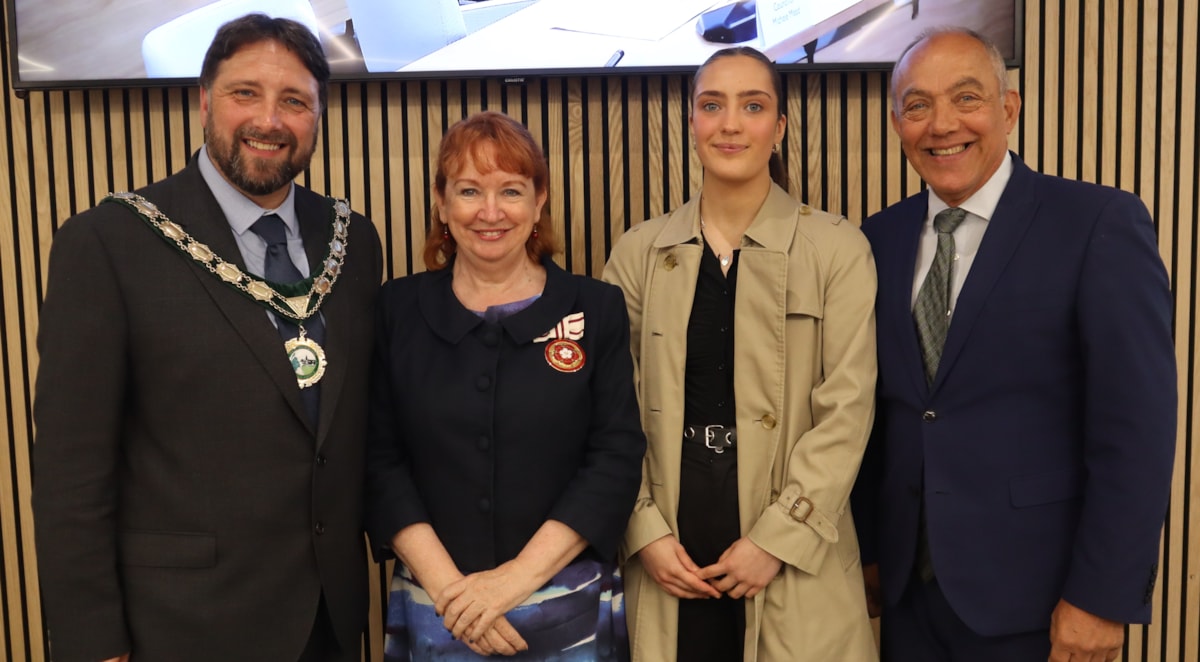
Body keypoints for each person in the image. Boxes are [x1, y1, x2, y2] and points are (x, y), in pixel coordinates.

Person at [32, 14, 383, 662]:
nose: (269, 120)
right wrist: (92, 643)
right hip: (182, 628)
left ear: (318, 116)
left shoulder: (351, 241)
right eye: (244, 93)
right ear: (203, 102)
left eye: (294, 101)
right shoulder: (109, 243)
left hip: (328, 624)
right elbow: (71, 475)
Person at [852, 27, 1177, 662]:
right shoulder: (877, 240)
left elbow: (1136, 431)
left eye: (966, 98)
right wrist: (866, 550)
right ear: (897, 124)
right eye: (918, 106)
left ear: (1009, 108)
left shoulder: (1096, 225)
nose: (942, 124)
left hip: (1043, 604)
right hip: (906, 597)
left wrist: (1102, 598)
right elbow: (874, 415)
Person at [603, 46, 879, 661]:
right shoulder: (638, 253)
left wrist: (778, 539)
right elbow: (607, 412)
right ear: (692, 123)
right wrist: (642, 529)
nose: (730, 124)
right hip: (669, 543)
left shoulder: (837, 248)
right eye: (712, 106)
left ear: (779, 127)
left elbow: (848, 409)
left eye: (752, 106)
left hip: (792, 543)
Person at [365, 110, 645, 661]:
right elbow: (378, 462)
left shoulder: (596, 307)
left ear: (539, 201)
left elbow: (614, 457)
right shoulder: (395, 310)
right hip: (436, 610)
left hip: (570, 608)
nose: (490, 213)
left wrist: (511, 583)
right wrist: (455, 596)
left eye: (511, 191)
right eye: (469, 191)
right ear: (442, 204)